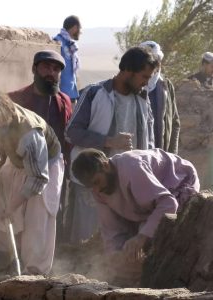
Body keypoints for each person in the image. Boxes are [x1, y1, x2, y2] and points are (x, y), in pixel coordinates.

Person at [64, 47, 157, 245]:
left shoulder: (142, 99)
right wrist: (108, 141)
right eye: (144, 76)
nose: (147, 82)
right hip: (94, 182)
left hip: (127, 186)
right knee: (86, 239)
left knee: (121, 241)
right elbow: (71, 132)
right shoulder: (95, 93)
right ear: (128, 71)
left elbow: (149, 142)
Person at [0, 92, 64, 275]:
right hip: (17, 160)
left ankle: (34, 272)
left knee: (37, 217)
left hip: (44, 167)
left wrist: (12, 206)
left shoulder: (30, 135)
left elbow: (38, 178)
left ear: (7, 117)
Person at [71, 148, 199, 260]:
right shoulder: (98, 190)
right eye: (91, 186)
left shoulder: (132, 169)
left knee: (158, 239)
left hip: (179, 184)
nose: (96, 190)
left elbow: (169, 204)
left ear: (105, 166)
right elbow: (112, 230)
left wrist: (141, 237)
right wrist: (114, 256)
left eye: (96, 182)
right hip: (149, 203)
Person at [8, 50, 72, 243]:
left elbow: (66, 137)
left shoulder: (64, 101)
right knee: (18, 213)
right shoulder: (16, 99)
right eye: (46, 67)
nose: (51, 73)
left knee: (47, 214)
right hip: (21, 168)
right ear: (34, 69)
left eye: (55, 69)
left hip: (52, 168)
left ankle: (42, 261)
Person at [139, 41, 180, 154]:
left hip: (161, 153)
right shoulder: (130, 87)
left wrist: (172, 156)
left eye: (157, 60)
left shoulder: (166, 85)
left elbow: (174, 122)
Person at [53, 15, 81, 104]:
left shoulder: (71, 45)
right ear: (75, 28)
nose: (80, 32)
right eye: (79, 29)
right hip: (61, 95)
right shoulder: (57, 41)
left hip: (72, 93)